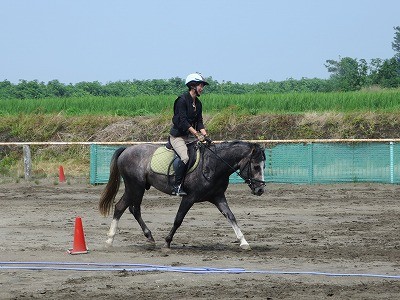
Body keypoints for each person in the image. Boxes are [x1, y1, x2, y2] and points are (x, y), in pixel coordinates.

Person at [169, 72, 210, 196]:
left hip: (190, 137)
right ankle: (176, 186)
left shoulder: (198, 103)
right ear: (193, 86)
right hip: (177, 137)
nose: (202, 89)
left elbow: (199, 122)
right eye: (200, 86)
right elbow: (183, 121)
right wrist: (197, 134)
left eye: (202, 86)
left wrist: (206, 136)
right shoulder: (181, 100)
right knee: (185, 157)